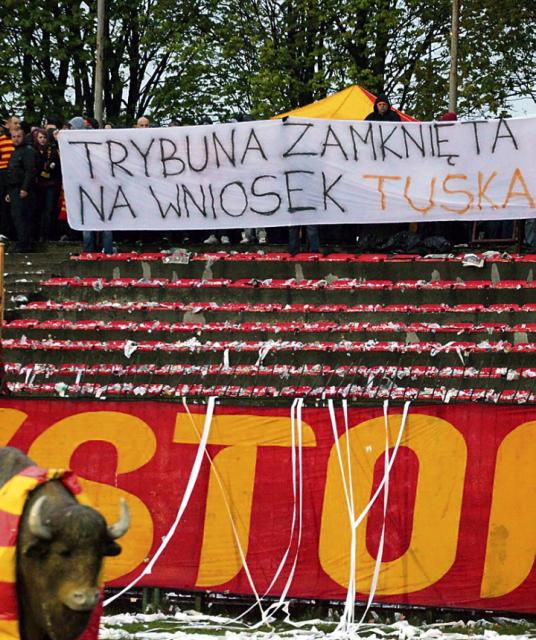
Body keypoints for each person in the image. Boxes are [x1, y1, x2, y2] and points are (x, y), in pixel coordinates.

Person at [5, 127, 38, 252]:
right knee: (17, 217)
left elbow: (30, 171)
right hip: (14, 188)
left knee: (22, 217)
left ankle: (24, 244)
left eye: (18, 136)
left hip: (22, 189)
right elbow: (11, 171)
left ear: (23, 137)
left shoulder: (27, 151)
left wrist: (25, 188)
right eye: (13, 137)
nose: (16, 139)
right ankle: (22, 242)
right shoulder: (15, 152)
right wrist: (9, 192)